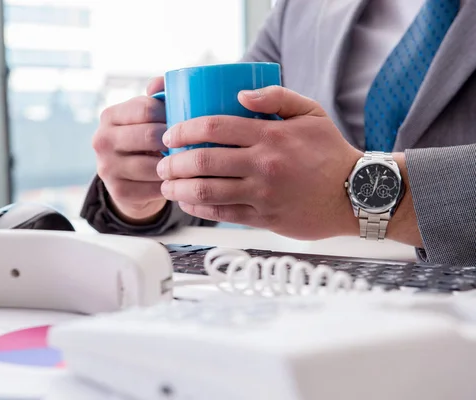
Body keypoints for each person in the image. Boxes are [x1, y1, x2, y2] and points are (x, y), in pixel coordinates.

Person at [80, 0, 476, 265]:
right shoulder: (300, 8)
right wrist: (143, 191)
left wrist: (356, 194)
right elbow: (231, 142)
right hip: (314, 289)